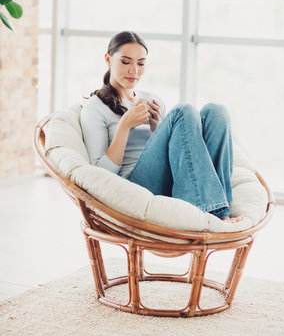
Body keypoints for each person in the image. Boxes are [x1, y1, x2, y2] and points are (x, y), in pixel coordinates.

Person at [80, 31, 243, 224]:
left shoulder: (151, 99)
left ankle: (222, 210)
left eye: (141, 63)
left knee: (217, 112)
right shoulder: (95, 107)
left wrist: (158, 129)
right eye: (125, 62)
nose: (134, 71)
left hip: (171, 179)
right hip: (133, 184)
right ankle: (211, 214)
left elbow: (180, 156)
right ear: (108, 59)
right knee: (184, 110)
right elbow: (100, 175)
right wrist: (124, 126)